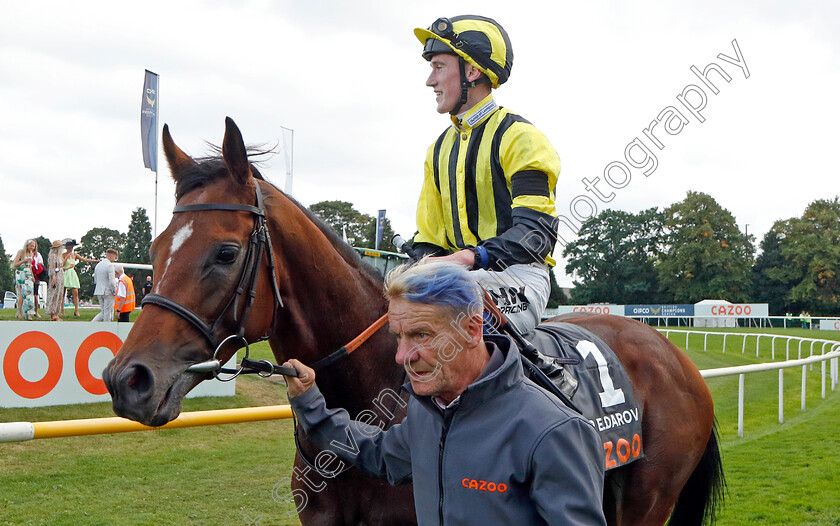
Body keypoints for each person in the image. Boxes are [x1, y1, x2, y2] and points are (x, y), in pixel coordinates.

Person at [283, 262, 606, 525]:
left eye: (421, 335)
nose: (402, 356)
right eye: (399, 337)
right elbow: (379, 453)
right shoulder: (430, 409)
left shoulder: (555, 432)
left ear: (472, 329)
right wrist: (310, 403)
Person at [410, 15, 562, 334]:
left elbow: (537, 233)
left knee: (450, 325)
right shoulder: (436, 151)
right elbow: (428, 238)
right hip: (457, 277)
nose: (429, 81)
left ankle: (539, 379)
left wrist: (469, 258)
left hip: (519, 278)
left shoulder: (521, 137)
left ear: (472, 71)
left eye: (438, 67)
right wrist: (425, 261)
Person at [62, 240, 97, 317]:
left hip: (72, 273)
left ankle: (76, 310)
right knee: (62, 292)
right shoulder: (63, 255)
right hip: (65, 272)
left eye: (71, 248)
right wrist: (66, 257)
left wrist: (95, 260)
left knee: (75, 292)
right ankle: (62, 310)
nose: (70, 249)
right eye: (68, 248)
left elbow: (84, 259)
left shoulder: (74, 255)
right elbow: (62, 264)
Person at [12, 239, 38, 320]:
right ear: (27, 245)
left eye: (33, 246)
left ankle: (29, 313)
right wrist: (24, 260)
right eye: (31, 246)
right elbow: (15, 264)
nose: (32, 248)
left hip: (28, 274)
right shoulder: (21, 252)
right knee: (21, 295)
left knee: (29, 294)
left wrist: (33, 276)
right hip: (21, 274)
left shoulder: (31, 253)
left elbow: (30, 266)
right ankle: (19, 312)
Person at [92, 248, 119, 322]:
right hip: (107, 292)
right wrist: (115, 291)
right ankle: (106, 328)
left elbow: (95, 280)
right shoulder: (110, 266)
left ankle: (92, 324)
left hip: (99, 291)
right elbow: (112, 282)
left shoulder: (98, 265)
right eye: (115, 257)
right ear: (111, 255)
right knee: (107, 313)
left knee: (103, 312)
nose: (115, 259)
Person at [46, 240, 66, 321]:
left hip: (60, 275)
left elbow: (60, 266)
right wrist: (53, 276)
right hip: (56, 275)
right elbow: (52, 267)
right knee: (54, 294)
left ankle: (56, 313)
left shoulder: (59, 256)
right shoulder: (53, 256)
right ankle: (53, 313)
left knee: (59, 294)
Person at [31, 246, 45, 318]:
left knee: (35, 295)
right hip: (29, 276)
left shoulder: (38, 255)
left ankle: (36, 311)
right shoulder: (26, 254)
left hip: (36, 276)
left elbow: (41, 264)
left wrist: (37, 267)